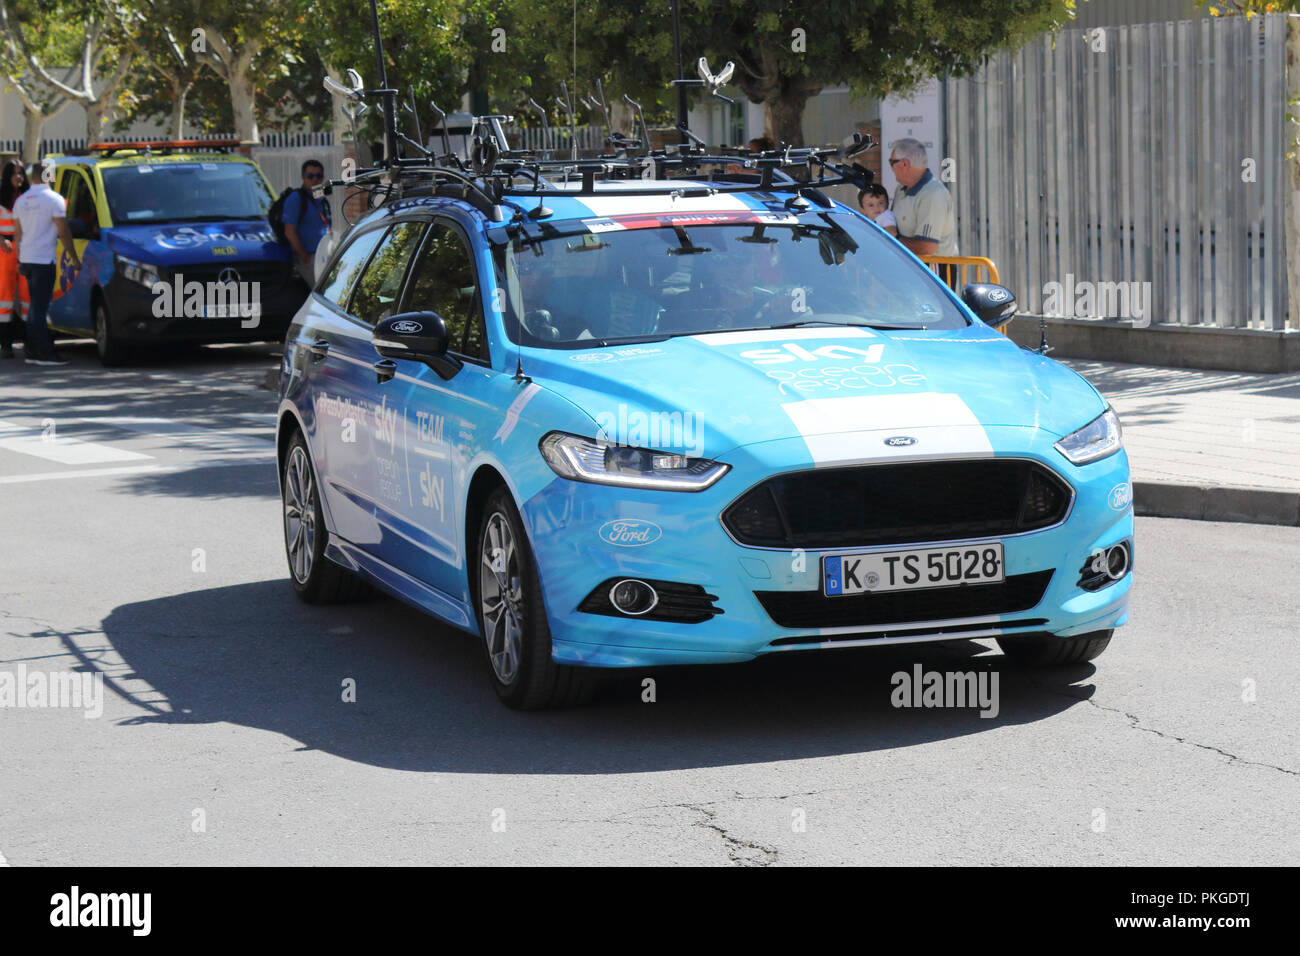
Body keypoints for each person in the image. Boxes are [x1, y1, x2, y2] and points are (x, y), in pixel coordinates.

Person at [12, 160, 79, 366]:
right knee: (40, 308)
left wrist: (18, 259)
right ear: (49, 176)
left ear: (32, 176)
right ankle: (44, 353)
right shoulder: (54, 200)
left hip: (27, 259)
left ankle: (32, 350)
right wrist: (74, 258)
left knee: (35, 307)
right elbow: (63, 231)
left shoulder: (21, 201)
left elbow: (17, 234)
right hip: (43, 260)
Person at [888, 137, 957, 286]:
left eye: (891, 162)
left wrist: (893, 238)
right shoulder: (901, 189)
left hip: (933, 271)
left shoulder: (933, 194)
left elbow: (926, 248)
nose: (891, 168)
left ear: (904, 164)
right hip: (913, 269)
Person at [0, 159, 31, 359]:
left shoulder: (29, 198)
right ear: (7, 176)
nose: (18, 177)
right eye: (14, 173)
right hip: (5, 252)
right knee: (5, 299)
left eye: (21, 173)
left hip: (27, 250)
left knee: (28, 298)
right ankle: (6, 344)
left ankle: (31, 342)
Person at [282, 159, 332, 286]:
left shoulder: (321, 199)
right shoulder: (296, 199)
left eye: (319, 176)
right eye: (310, 176)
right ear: (303, 177)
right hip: (309, 257)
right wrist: (305, 259)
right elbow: (289, 232)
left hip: (324, 255)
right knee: (323, 291)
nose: (315, 179)